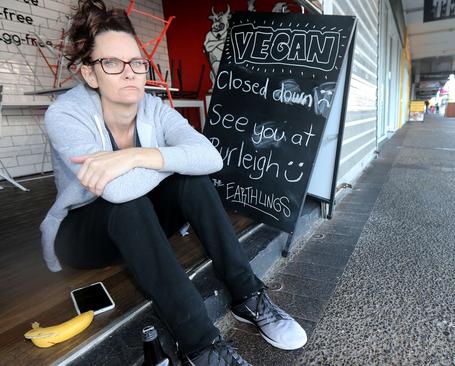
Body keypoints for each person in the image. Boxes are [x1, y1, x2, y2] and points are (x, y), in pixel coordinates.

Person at [38, 1, 307, 364]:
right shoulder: (66, 114)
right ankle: (200, 344)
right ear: (89, 73)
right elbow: (116, 191)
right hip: (85, 231)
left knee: (192, 182)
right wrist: (171, 158)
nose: (130, 73)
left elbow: (211, 157)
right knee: (132, 200)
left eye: (136, 62)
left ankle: (248, 296)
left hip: (141, 224)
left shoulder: (153, 107)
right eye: (112, 63)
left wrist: (134, 156)